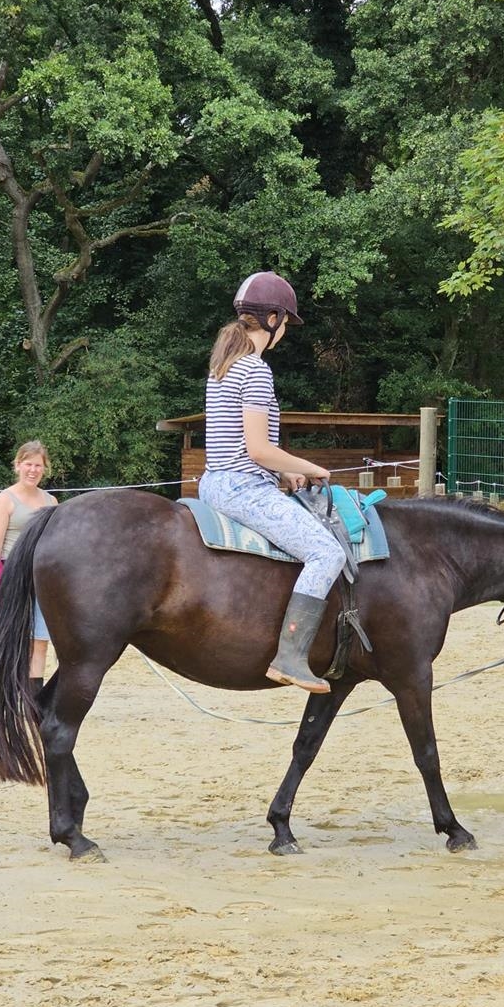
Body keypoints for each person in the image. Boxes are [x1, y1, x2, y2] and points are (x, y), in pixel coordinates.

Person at [198, 271, 347, 693]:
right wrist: (311, 466)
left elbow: (239, 446)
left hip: (217, 481)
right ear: (274, 319)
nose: (285, 332)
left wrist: (286, 471)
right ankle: (291, 657)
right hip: (242, 488)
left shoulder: (224, 365)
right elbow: (258, 449)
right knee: (325, 552)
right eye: (286, 324)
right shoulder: (256, 371)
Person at [0, 440, 58, 694]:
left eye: (38, 465)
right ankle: (3, 689)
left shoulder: (51, 501)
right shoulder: (6, 500)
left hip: (41, 578)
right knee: (10, 638)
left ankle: (33, 697)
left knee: (40, 640)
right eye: (28, 464)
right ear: (17, 465)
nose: (33, 470)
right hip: (12, 575)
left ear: (44, 468)